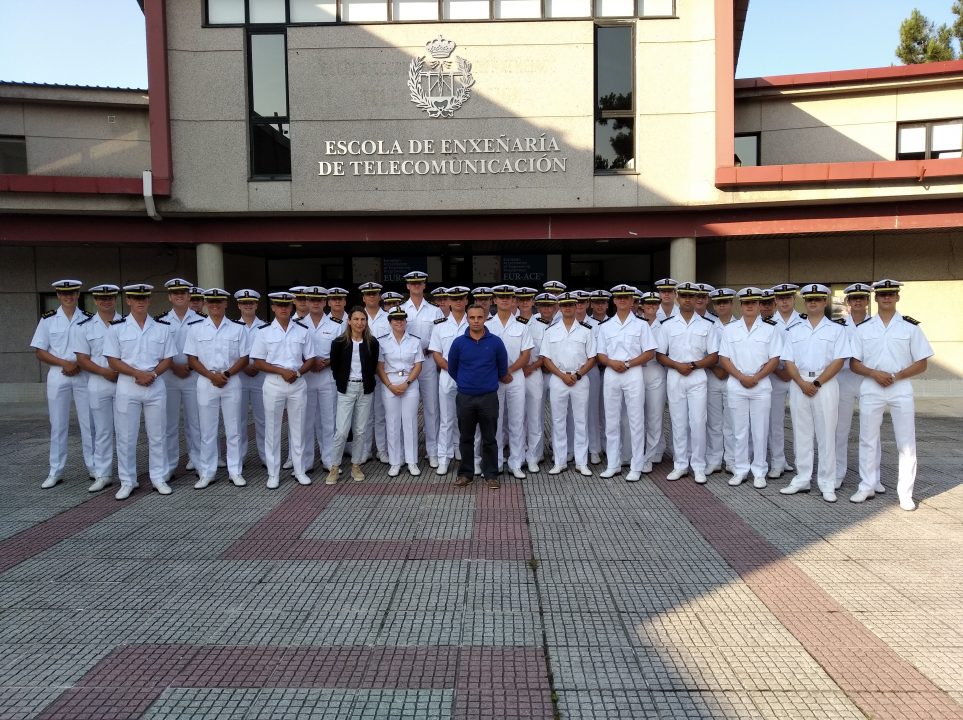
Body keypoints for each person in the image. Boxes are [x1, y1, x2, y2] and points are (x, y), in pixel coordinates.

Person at [849, 279, 933, 511]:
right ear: (875, 298)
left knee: (906, 442)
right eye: (883, 294)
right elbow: (854, 363)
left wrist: (896, 376)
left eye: (891, 294)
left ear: (897, 297)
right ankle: (866, 486)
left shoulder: (910, 327)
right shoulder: (863, 328)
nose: (887, 297)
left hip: (900, 387)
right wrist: (873, 373)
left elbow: (922, 363)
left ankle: (905, 494)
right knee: (867, 439)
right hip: (871, 386)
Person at [779, 284, 850, 503]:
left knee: (827, 435)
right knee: (801, 433)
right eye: (809, 299)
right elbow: (788, 360)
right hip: (799, 382)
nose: (813, 303)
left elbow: (839, 360)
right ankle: (802, 479)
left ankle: (827, 483)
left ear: (825, 302)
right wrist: (801, 382)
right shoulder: (794, 330)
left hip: (825, 384)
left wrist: (817, 382)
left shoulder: (837, 330)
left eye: (818, 299)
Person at [103, 284, 176, 499]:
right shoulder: (116, 327)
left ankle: (158, 477)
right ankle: (127, 481)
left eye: (144, 297)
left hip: (155, 384)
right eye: (136, 298)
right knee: (126, 436)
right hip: (128, 385)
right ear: (128, 300)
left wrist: (151, 375)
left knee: (158, 434)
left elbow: (168, 358)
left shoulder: (162, 327)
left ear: (149, 300)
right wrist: (137, 373)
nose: (140, 301)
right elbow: (112, 360)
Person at [30, 279, 95, 488]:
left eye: (72, 293)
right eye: (64, 294)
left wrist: (77, 363)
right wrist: (64, 363)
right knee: (58, 424)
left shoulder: (88, 319)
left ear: (78, 295)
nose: (68, 297)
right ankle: (55, 470)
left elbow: (95, 349)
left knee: (89, 423)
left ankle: (94, 467)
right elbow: (40, 351)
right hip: (58, 374)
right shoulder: (48, 320)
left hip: (83, 373)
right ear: (58, 296)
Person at [184, 288, 251, 488]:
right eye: (211, 302)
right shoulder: (196, 328)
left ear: (225, 304)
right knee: (207, 430)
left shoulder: (237, 328)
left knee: (234, 429)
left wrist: (227, 374)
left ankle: (235, 471)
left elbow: (245, 357)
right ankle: (207, 472)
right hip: (206, 381)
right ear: (205, 304)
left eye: (219, 302)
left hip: (231, 380)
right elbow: (191, 358)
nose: (215, 306)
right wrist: (210, 375)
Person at [249, 291, 317, 489]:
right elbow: (258, 362)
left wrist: (296, 374)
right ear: (273, 307)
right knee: (272, 429)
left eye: (287, 305)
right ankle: (273, 473)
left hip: (297, 383)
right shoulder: (264, 332)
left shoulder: (302, 330)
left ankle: (300, 470)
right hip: (273, 384)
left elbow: (311, 358)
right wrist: (281, 371)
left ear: (292, 306)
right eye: (279, 305)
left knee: (299, 428)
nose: (284, 308)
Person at [717, 288, 782, 487]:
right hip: (737, 384)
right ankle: (740, 469)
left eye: (754, 302)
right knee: (739, 430)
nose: (750, 306)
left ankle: (760, 471)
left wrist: (756, 378)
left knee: (760, 430)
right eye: (746, 303)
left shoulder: (770, 329)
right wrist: (741, 377)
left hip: (760, 385)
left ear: (759, 305)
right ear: (741, 305)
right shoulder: (730, 329)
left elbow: (775, 359)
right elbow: (723, 358)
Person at [657, 281, 719, 484]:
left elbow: (714, 356)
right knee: (678, 422)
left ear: (696, 300)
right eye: (684, 296)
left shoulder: (707, 325)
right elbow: (660, 354)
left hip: (697, 375)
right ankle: (680, 464)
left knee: (698, 422)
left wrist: (692, 365)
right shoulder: (667, 325)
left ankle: (699, 466)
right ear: (678, 298)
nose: (688, 300)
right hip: (675, 376)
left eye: (692, 297)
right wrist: (677, 365)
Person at [596, 284, 657, 481]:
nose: (622, 300)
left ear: (632, 301)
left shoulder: (641, 325)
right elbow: (600, 354)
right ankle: (613, 464)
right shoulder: (605, 326)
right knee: (611, 420)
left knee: (635, 420)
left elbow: (650, 352)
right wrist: (611, 362)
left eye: (626, 297)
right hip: (612, 373)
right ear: (614, 301)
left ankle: (636, 466)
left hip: (633, 372)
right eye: (619, 297)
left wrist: (629, 363)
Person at [448, 305, 508, 489]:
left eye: (479, 317)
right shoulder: (458, 343)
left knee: (490, 438)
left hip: (488, 397)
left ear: (485, 319)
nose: (476, 321)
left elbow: (502, 368)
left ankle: (491, 474)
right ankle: (466, 473)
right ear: (467, 318)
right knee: (466, 437)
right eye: (472, 317)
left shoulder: (496, 342)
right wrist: (467, 383)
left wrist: (484, 383)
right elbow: (452, 368)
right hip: (465, 397)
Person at [70, 283, 122, 492]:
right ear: (95, 301)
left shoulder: (126, 323)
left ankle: (128, 475)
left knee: (125, 432)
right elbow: (82, 358)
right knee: (101, 431)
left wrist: (119, 372)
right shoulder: (85, 326)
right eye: (101, 298)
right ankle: (103, 474)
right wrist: (104, 372)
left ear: (115, 299)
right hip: (98, 382)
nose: (105, 301)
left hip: (123, 382)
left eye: (109, 298)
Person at [540, 292, 597, 475]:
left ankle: (582, 462)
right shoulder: (550, 331)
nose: (567, 308)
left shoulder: (586, 331)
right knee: (558, 421)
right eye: (564, 305)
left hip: (579, 379)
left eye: (571, 305)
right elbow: (546, 358)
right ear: (560, 308)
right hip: (559, 378)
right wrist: (561, 375)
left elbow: (592, 358)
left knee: (581, 421)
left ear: (575, 307)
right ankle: (560, 461)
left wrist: (578, 374)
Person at [485, 284, 534, 479]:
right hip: (493, 377)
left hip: (516, 376)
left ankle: (516, 463)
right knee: (494, 421)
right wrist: (499, 372)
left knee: (516, 420)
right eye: (500, 297)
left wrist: (509, 370)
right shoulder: (487, 325)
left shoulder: (522, 325)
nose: (505, 300)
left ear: (514, 301)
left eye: (508, 297)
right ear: (494, 300)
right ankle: (496, 462)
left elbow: (526, 354)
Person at [328, 306, 380, 485]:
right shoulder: (339, 343)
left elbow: (372, 366)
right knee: (341, 431)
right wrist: (342, 382)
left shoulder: (372, 342)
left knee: (360, 430)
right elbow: (335, 366)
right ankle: (334, 466)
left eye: (363, 319)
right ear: (349, 321)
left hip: (365, 389)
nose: (359, 323)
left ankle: (356, 465)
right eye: (356, 319)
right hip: (347, 389)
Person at [158, 277, 203, 480]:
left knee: (196, 422)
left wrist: (191, 366)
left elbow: (206, 349)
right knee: (169, 423)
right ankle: (169, 466)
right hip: (169, 376)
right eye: (175, 293)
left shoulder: (201, 320)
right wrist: (174, 366)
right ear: (169, 296)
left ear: (188, 296)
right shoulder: (160, 322)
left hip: (194, 376)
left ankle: (200, 463)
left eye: (183, 293)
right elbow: (156, 349)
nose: (179, 296)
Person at [377, 307, 424, 476]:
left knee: (410, 423)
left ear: (406, 321)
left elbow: (418, 364)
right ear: (389, 322)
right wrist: (390, 385)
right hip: (389, 383)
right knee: (392, 422)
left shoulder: (414, 341)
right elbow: (379, 366)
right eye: (395, 319)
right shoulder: (382, 341)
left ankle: (412, 462)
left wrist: (407, 382)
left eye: (401, 319)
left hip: (409, 382)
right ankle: (395, 462)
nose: (399, 321)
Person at [402, 270, 443, 467]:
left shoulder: (434, 310)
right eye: (413, 283)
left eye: (420, 283)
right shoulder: (401, 310)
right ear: (408, 286)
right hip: (407, 365)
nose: (417, 286)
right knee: (406, 410)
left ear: (425, 285)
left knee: (431, 408)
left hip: (427, 362)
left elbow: (438, 336)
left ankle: (432, 451)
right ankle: (406, 453)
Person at [835, 282, 873, 490]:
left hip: (868, 379)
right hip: (844, 380)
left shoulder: (877, 325)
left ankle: (872, 478)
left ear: (867, 301)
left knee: (870, 431)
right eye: (854, 298)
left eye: (862, 298)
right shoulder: (839, 326)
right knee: (840, 430)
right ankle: (838, 473)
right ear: (848, 302)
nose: (858, 301)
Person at [429, 286, 470, 476]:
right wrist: (452, 369)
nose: (459, 301)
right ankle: (444, 459)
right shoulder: (440, 325)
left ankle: (465, 454)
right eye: (455, 298)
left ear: (466, 300)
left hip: (470, 377)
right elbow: (436, 354)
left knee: (468, 418)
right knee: (446, 419)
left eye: (462, 298)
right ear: (449, 301)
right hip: (447, 376)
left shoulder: (475, 322)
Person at [302, 285, 341, 475]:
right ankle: (306, 461)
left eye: (319, 300)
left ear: (325, 302)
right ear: (307, 302)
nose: (316, 303)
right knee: (306, 421)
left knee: (329, 420)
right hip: (307, 377)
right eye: (312, 300)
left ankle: (330, 460)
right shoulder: (298, 324)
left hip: (328, 376)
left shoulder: (336, 325)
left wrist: (326, 362)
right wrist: (309, 362)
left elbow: (343, 351)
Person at [766, 283, 800, 479]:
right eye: (781, 298)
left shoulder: (803, 321)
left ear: (794, 299)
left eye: (788, 297)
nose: (784, 301)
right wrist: (780, 371)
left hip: (797, 378)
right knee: (775, 421)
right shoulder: (768, 323)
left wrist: (791, 372)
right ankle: (778, 461)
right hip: (776, 376)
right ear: (775, 301)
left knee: (800, 421)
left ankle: (800, 462)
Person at [706, 287, 737, 474]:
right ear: (714, 305)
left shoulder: (741, 326)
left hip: (733, 378)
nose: (722, 305)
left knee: (732, 422)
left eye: (725, 302)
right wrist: (715, 368)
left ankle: (732, 460)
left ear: (732, 304)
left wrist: (726, 370)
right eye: (718, 302)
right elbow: (703, 352)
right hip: (712, 377)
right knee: (714, 422)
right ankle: (714, 459)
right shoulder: (708, 325)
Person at [234, 289, 267, 467]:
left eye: (251, 302)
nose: (248, 305)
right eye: (244, 302)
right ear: (238, 305)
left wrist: (255, 366)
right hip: (239, 377)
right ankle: (239, 458)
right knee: (238, 420)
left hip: (260, 376)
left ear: (256, 305)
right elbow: (230, 353)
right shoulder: (232, 327)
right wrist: (245, 366)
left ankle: (265, 457)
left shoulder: (265, 326)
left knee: (262, 419)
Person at [638, 291, 668, 473]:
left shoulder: (664, 326)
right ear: (642, 305)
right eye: (647, 304)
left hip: (655, 370)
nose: (651, 307)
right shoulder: (635, 324)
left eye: (654, 304)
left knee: (655, 416)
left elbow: (662, 352)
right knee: (637, 415)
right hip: (635, 372)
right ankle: (644, 449)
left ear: (658, 305)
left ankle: (650, 455)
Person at [516, 287, 545, 472]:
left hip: (534, 373)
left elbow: (545, 354)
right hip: (516, 374)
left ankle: (534, 456)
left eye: (528, 299)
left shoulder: (541, 324)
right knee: (517, 417)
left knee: (535, 416)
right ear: (516, 302)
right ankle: (517, 455)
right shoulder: (511, 323)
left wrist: (531, 367)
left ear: (533, 302)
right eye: (521, 299)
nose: (525, 302)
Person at [359, 281, 388, 463]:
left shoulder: (389, 317)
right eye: (368, 294)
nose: (371, 297)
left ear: (379, 297)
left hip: (384, 371)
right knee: (364, 414)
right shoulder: (357, 317)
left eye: (375, 294)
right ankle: (365, 450)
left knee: (381, 413)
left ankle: (382, 450)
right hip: (363, 372)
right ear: (363, 297)